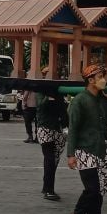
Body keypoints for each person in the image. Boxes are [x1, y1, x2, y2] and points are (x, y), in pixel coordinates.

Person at [67, 64, 107, 214]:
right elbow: (73, 129)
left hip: (101, 150)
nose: (104, 80)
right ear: (90, 80)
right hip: (84, 150)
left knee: (98, 193)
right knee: (92, 189)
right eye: (100, 77)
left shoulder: (104, 99)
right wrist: (70, 154)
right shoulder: (80, 100)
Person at [36, 67, 68, 201]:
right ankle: (49, 189)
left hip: (58, 130)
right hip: (45, 129)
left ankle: (46, 185)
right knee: (49, 159)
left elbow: (64, 112)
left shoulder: (60, 93)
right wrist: (49, 98)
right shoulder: (41, 91)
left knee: (53, 160)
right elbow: (40, 106)